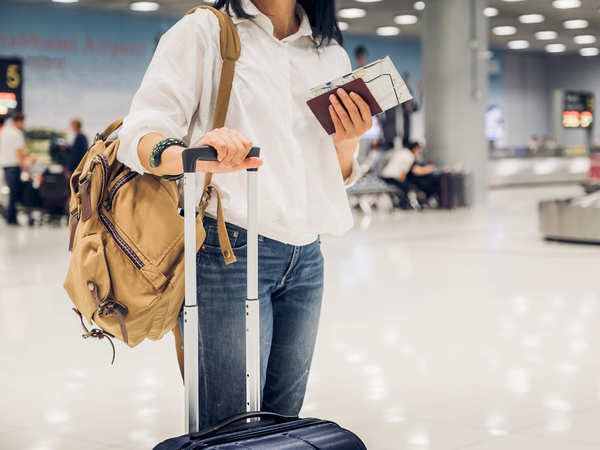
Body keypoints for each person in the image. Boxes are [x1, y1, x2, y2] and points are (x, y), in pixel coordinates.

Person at [118, 0, 371, 430]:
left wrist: (348, 142)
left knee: (283, 423)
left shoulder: (329, 52)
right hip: (228, 249)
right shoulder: (205, 32)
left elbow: (334, 172)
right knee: (228, 425)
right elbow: (139, 134)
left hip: (307, 255)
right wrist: (192, 155)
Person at [0, 112, 26, 225]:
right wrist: (24, 168)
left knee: (12, 193)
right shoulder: (16, 133)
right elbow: (19, 152)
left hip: (5, 166)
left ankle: (10, 216)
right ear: (19, 121)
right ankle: (11, 218)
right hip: (14, 167)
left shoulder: (4, 132)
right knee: (14, 194)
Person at [401, 72, 419, 147]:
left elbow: (414, 106)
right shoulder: (400, 91)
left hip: (408, 117)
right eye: (405, 79)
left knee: (408, 133)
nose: (406, 81)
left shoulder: (410, 91)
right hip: (402, 117)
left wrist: (411, 107)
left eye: (407, 79)